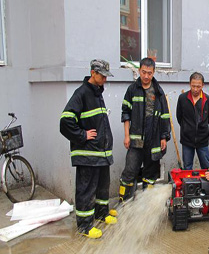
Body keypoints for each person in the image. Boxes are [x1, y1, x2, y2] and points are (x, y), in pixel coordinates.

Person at [60, 59, 116, 239]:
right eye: (103, 76)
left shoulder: (97, 93)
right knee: (86, 189)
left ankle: (101, 213)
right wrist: (83, 135)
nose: (105, 79)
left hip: (100, 154)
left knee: (102, 187)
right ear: (93, 73)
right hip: (88, 155)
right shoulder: (81, 93)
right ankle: (85, 225)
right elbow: (65, 122)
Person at [117, 57, 171, 204]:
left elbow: (165, 117)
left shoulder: (158, 92)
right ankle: (125, 203)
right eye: (143, 72)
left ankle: (147, 204)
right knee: (129, 172)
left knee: (150, 175)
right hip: (136, 141)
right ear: (139, 71)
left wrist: (164, 137)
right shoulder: (132, 90)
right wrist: (127, 135)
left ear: (154, 73)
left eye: (149, 73)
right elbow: (125, 113)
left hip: (153, 141)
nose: (146, 76)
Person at [176, 72, 209, 170]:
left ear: (203, 85)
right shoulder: (182, 98)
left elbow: (208, 118)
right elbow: (179, 117)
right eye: (193, 86)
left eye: (198, 86)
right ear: (189, 84)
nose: (195, 89)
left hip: (203, 139)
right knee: (187, 167)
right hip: (187, 139)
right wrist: (186, 128)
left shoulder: (208, 100)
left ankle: (206, 185)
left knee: (206, 167)